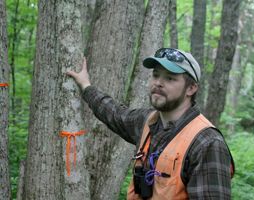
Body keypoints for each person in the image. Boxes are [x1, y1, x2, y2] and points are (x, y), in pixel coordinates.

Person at [67, 48, 234, 200]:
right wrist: (86, 86)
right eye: (155, 75)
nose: (158, 83)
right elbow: (115, 114)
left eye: (170, 78)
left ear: (191, 89)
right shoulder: (148, 121)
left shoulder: (207, 143)